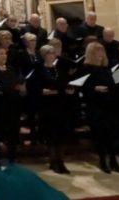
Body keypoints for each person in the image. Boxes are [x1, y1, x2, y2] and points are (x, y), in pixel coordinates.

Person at [76, 41, 119, 174]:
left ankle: (114, 161)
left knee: (112, 134)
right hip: (95, 105)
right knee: (100, 135)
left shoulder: (106, 68)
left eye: (101, 51)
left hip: (109, 104)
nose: (100, 54)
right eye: (97, 52)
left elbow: (113, 84)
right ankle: (103, 161)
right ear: (91, 53)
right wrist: (94, 88)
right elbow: (81, 86)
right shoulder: (85, 68)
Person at [34, 44, 74, 173]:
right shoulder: (39, 69)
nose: (52, 55)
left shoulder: (58, 69)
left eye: (53, 53)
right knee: (51, 135)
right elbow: (34, 87)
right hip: (47, 106)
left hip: (60, 105)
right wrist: (42, 91)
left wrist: (69, 90)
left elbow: (63, 83)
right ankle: (53, 161)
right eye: (49, 53)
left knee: (61, 134)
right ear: (44, 55)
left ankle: (61, 161)